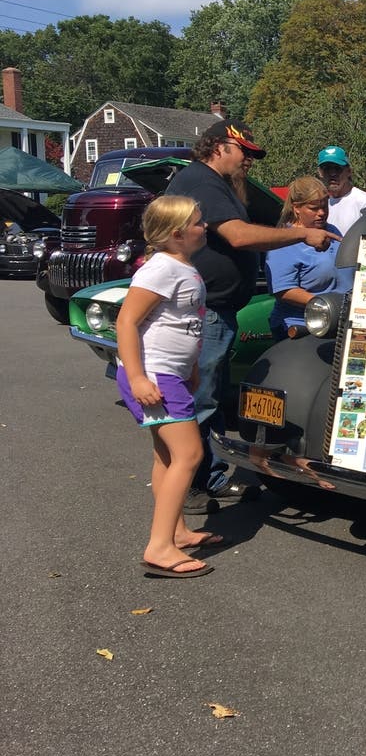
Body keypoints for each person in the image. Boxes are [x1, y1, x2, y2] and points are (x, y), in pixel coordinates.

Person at [165, 119, 339, 513]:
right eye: (245, 152)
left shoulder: (209, 183)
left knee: (208, 398)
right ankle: (192, 485)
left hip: (217, 310)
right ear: (220, 146)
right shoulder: (204, 182)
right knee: (200, 401)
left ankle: (205, 476)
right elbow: (240, 236)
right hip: (205, 311)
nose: (249, 162)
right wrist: (299, 235)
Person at [114, 196, 218, 578]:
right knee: (189, 454)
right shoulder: (159, 269)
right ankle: (159, 547)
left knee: (167, 456)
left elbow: (184, 322)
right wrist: (139, 378)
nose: (203, 226)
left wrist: (190, 366)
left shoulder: (180, 266)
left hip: (170, 373)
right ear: (177, 233)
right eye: (198, 222)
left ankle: (175, 531)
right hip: (154, 374)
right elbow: (126, 322)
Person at [265, 176, 355, 340]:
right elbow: (283, 290)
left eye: (324, 207)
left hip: (338, 324)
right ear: (296, 208)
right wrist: (326, 305)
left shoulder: (332, 229)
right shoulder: (284, 241)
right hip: (303, 327)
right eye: (314, 208)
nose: (321, 213)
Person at [317, 145, 366, 234]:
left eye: (337, 169)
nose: (332, 174)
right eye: (327, 169)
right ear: (320, 173)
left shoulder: (365, 203)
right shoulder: (321, 205)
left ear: (348, 171)